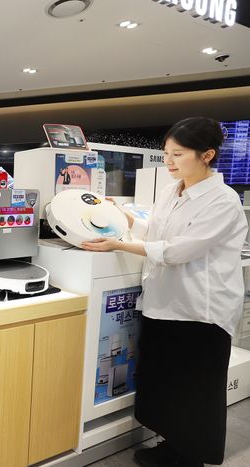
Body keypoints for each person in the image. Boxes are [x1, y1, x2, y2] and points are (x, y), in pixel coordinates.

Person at [82, 117, 248, 467]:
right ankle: (170, 448)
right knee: (165, 382)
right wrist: (125, 218)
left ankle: (189, 458)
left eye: (178, 154)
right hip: (162, 303)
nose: (168, 162)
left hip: (200, 311)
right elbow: (156, 231)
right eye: (166, 153)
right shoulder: (174, 190)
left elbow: (178, 251)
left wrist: (119, 245)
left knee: (195, 389)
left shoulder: (223, 200)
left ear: (207, 155)